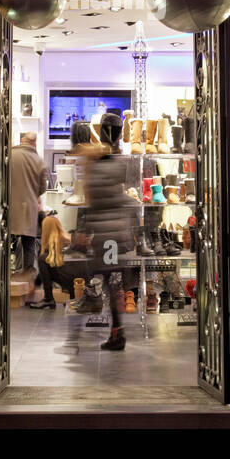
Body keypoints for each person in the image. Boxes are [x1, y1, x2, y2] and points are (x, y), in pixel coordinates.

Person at [81, 111, 137, 350]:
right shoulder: (123, 162)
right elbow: (126, 197)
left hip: (105, 236)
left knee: (112, 285)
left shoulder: (94, 165)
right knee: (115, 284)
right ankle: (117, 330)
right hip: (119, 232)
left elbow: (92, 201)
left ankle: (118, 333)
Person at [9, 132, 47, 280]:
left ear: (21, 140)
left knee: (6, 240)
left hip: (9, 204)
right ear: (34, 143)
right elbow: (42, 188)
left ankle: (6, 271)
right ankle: (28, 275)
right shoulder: (39, 161)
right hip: (29, 207)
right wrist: (31, 193)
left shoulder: (10, 154)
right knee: (29, 242)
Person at [28, 212, 74, 309]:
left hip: (73, 281)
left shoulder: (58, 244)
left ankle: (48, 299)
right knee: (45, 260)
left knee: (42, 259)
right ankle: (50, 298)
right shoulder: (65, 240)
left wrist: (34, 285)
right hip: (75, 281)